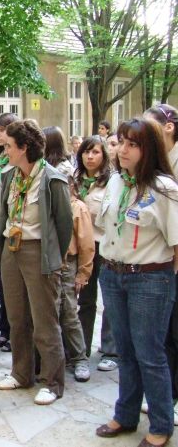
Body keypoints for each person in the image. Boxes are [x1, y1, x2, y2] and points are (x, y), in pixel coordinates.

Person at [94, 118, 178, 447]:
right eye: (121, 142)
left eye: (133, 144)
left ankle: (160, 424)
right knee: (125, 352)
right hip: (113, 274)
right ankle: (125, 414)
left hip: (149, 279)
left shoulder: (165, 190)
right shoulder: (117, 182)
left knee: (150, 353)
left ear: (149, 149)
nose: (123, 150)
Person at [0, 119, 73, 405]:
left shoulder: (52, 179)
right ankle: (21, 373)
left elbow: (64, 227)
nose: (5, 152)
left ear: (25, 147)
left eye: (9, 147)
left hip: (38, 252)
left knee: (45, 321)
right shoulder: (8, 175)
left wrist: (52, 257)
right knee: (17, 318)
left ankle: (52, 382)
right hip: (11, 250)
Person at [144, 103, 178, 424]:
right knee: (164, 332)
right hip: (162, 257)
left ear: (168, 127)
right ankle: (167, 393)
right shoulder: (156, 162)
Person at [73, 136, 118, 370]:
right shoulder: (74, 179)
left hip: (105, 246)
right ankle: (81, 349)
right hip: (81, 248)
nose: (90, 157)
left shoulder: (113, 182)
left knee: (110, 300)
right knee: (85, 300)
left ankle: (111, 350)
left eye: (96, 152)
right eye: (86, 152)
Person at [0, 112, 19, 353]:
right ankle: (4, 330)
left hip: (8, 226)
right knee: (1, 278)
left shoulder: (16, 161)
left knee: (10, 281)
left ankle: (13, 333)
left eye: (2, 130)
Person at [61, 175, 94, 382]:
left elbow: (86, 244)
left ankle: (79, 357)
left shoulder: (78, 208)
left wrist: (83, 272)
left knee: (69, 311)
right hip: (51, 264)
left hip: (68, 263)